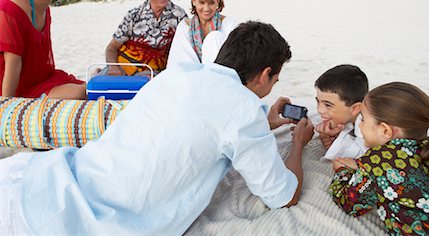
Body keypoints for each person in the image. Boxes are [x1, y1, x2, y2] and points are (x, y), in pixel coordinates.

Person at [0, 21, 314, 235]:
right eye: (274, 79)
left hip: (38, 178)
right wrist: (298, 142)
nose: (272, 87)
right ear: (265, 73)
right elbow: (282, 195)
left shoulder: (179, 74)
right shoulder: (243, 111)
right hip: (60, 222)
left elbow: (208, 119)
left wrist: (267, 119)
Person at [330, 82, 429, 235]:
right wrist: (364, 169)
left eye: (363, 120)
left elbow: (350, 203)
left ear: (385, 130)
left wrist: (341, 172)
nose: (360, 126)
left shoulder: (378, 160)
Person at [0, 0, 85, 99]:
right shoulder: (10, 9)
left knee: (91, 86)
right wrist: (7, 107)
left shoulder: (45, 8)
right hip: (14, 87)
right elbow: (12, 64)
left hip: (41, 79)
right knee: (83, 92)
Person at [104, 0, 186, 76]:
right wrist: (113, 67)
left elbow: (185, 50)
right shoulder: (133, 15)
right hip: (122, 66)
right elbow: (112, 47)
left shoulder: (179, 16)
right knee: (96, 82)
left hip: (152, 73)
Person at [167, 0, 239, 66]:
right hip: (194, 75)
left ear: (218, 2)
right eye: (202, 2)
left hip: (222, 75)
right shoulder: (185, 27)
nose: (206, 8)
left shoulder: (230, 24)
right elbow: (178, 61)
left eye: (211, 3)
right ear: (194, 1)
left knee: (214, 37)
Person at [313, 64, 369, 159]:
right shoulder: (341, 116)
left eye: (328, 105)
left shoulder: (368, 125)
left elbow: (363, 154)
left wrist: (339, 138)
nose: (319, 110)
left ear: (355, 108)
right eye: (318, 101)